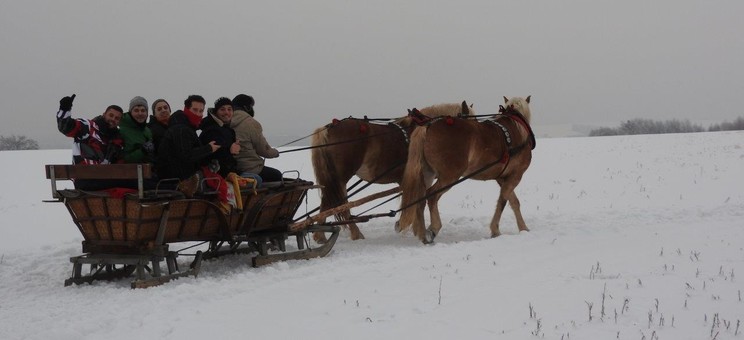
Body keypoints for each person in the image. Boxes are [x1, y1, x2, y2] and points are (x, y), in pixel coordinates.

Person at [56, 94, 125, 190]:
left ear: (119, 122)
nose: (113, 119)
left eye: (117, 118)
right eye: (111, 115)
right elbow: (66, 128)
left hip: (106, 179)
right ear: (104, 114)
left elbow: (120, 164)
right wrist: (64, 109)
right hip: (84, 178)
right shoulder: (87, 127)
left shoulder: (117, 141)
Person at [156, 95, 219, 195]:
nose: (198, 114)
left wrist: (208, 161)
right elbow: (186, 155)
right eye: (195, 110)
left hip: (180, 176)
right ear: (186, 109)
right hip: (176, 179)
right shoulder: (181, 129)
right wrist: (208, 149)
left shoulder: (187, 127)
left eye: (201, 111)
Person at [230, 94, 282, 184]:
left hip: (231, 169)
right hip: (250, 169)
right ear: (247, 107)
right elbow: (264, 150)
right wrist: (275, 153)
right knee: (277, 175)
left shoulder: (225, 120)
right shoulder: (251, 123)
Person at [199, 97, 240, 178]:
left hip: (227, 171)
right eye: (222, 109)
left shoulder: (225, 128)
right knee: (257, 179)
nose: (226, 112)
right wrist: (230, 149)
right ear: (216, 111)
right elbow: (212, 154)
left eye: (229, 109)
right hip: (216, 174)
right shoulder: (211, 129)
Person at [119, 96, 154, 164]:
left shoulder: (147, 130)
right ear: (130, 112)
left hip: (148, 172)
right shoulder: (122, 131)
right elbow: (122, 159)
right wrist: (142, 151)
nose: (140, 113)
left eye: (143, 110)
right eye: (136, 110)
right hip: (130, 172)